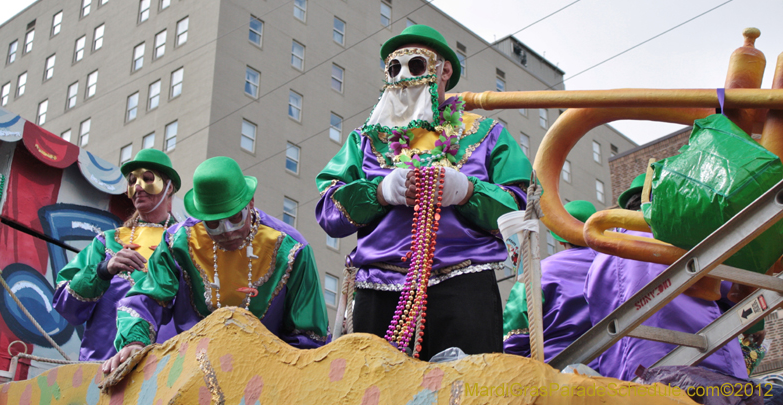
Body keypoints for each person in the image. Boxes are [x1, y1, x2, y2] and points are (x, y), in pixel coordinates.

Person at [315, 24, 532, 360]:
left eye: (416, 65)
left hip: (463, 287)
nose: (403, 77)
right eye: (394, 68)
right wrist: (381, 191)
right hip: (379, 292)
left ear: (444, 69)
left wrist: (467, 191)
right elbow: (330, 211)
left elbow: (521, 210)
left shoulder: (486, 134)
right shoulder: (365, 140)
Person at [102, 157, 329, 373]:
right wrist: (134, 341)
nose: (227, 231)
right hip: (188, 368)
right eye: (214, 223)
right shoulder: (177, 242)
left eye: (235, 218)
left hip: (266, 377)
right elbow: (148, 296)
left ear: (250, 203)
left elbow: (307, 334)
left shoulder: (291, 249)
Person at [585, 173, 747, 380]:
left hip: (627, 378)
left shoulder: (599, 259)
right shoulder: (678, 233)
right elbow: (732, 288)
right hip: (700, 364)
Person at [53, 148, 180, 361]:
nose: (138, 187)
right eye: (132, 181)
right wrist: (104, 270)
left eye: (148, 179)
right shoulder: (107, 242)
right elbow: (66, 305)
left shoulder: (185, 242)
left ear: (169, 188)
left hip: (166, 368)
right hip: (102, 367)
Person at [503, 200, 599, 367]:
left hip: (554, 372)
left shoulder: (540, 271)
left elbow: (514, 338)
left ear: (560, 240)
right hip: (613, 372)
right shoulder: (616, 264)